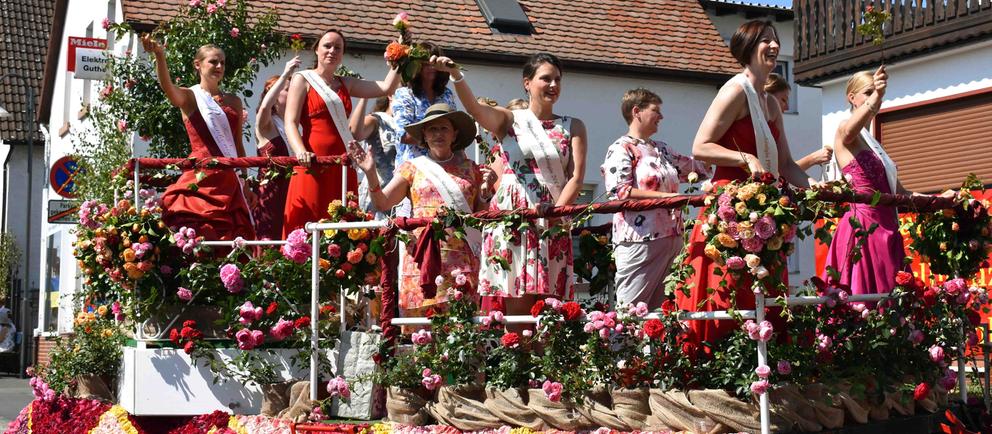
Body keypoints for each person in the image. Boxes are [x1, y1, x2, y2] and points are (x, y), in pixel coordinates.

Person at [677, 20, 812, 345]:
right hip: (729, 212)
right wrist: (744, 159)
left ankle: (764, 370)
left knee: (762, 294)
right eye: (766, 40)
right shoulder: (735, 90)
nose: (774, 45)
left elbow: (786, 165)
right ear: (748, 47)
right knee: (726, 292)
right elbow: (701, 145)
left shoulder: (769, 103)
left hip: (763, 213)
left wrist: (818, 186)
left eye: (776, 40)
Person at [432, 52, 588, 314]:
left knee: (548, 306)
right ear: (527, 83)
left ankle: (542, 354)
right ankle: (519, 353)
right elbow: (474, 110)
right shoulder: (509, 120)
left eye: (557, 80)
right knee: (516, 300)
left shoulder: (573, 126)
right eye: (545, 79)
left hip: (552, 216)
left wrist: (557, 213)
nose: (553, 85)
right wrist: (456, 76)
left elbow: (576, 177)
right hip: (513, 214)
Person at [347, 103, 493, 315]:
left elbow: (482, 215)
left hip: (461, 257)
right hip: (422, 257)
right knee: (423, 334)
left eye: (444, 128)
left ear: (455, 134)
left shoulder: (472, 170)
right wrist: (370, 173)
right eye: (432, 129)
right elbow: (383, 203)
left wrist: (486, 192)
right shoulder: (412, 167)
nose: (438, 134)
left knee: (462, 329)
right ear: (424, 135)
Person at [823, 66, 954, 294]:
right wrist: (878, 95)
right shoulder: (845, 128)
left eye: (876, 91)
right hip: (862, 227)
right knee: (865, 302)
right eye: (868, 92)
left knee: (893, 304)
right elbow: (849, 133)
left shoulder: (874, 144)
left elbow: (902, 194)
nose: (874, 97)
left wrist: (939, 200)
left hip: (887, 226)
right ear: (851, 98)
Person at [601, 88, 711, 310]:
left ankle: (654, 346)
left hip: (672, 237)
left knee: (662, 312)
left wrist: (719, 141)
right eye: (655, 110)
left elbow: (699, 169)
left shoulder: (662, 149)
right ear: (637, 112)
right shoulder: (621, 148)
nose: (661, 117)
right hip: (640, 240)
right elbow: (619, 191)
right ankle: (620, 346)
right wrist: (666, 197)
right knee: (631, 310)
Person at [282, 29, 400, 236]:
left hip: (342, 161)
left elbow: (385, 87)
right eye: (327, 45)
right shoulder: (303, 79)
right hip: (312, 160)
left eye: (338, 48)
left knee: (341, 222)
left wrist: (401, 54)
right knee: (308, 219)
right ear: (317, 49)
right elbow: (290, 122)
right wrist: (300, 151)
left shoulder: (346, 83)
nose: (332, 51)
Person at [142, 36, 255, 241]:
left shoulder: (234, 101)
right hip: (201, 177)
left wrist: (245, 180)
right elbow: (168, 88)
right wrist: (160, 56)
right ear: (198, 64)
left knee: (235, 239)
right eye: (213, 61)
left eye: (222, 62)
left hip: (230, 181)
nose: (219, 66)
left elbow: (238, 145)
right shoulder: (190, 96)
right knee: (200, 232)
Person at [391, 42, 457, 217]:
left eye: (433, 62)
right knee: (413, 226)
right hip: (413, 171)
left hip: (444, 167)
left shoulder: (446, 94)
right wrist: (435, 140)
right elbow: (403, 135)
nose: (430, 67)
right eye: (424, 62)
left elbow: (453, 127)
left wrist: (460, 159)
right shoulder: (405, 94)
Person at [253, 56, 301, 239]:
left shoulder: (292, 125)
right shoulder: (266, 123)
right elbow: (265, 107)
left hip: (292, 189)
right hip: (270, 193)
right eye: (287, 90)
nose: (292, 94)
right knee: (269, 239)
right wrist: (286, 74)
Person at [765, 73, 834, 171]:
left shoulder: (774, 129)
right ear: (767, 96)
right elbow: (781, 171)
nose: (787, 107)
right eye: (783, 100)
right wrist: (813, 158)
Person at [350, 96, 400, 214]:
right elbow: (355, 132)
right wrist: (364, 96)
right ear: (391, 95)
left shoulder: (412, 123)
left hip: (402, 194)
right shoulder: (377, 119)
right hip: (378, 192)